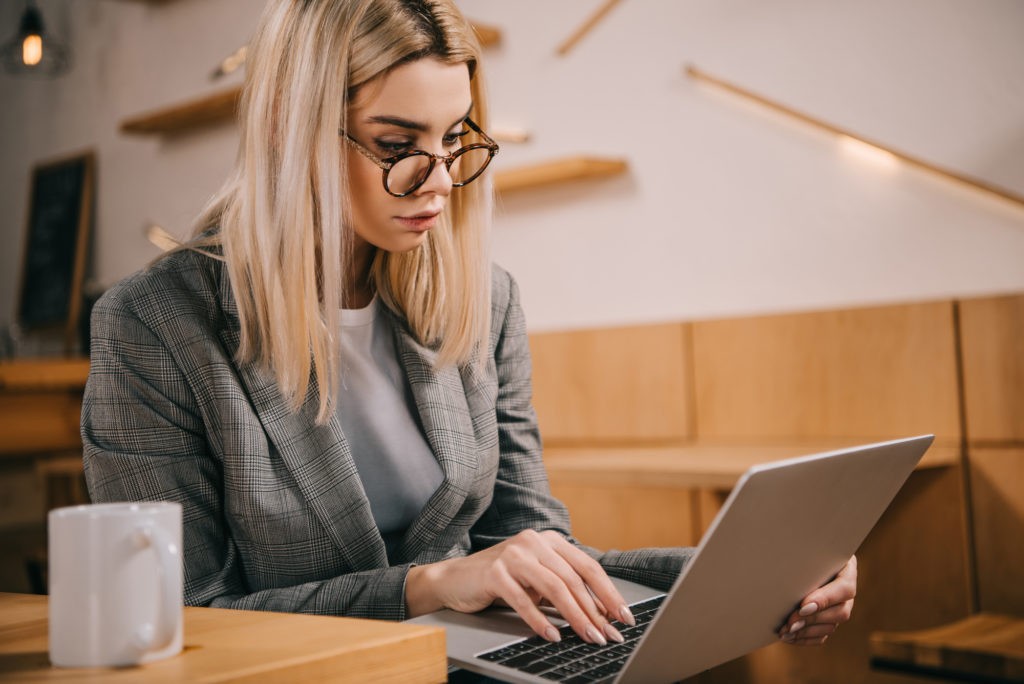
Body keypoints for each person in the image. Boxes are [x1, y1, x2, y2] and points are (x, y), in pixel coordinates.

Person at [82, 0, 855, 653]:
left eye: (453, 139)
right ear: (292, 128)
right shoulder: (153, 325)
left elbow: (540, 552)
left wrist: (762, 573)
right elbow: (182, 622)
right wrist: (425, 586)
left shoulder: (485, 304)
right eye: (397, 146)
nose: (442, 181)